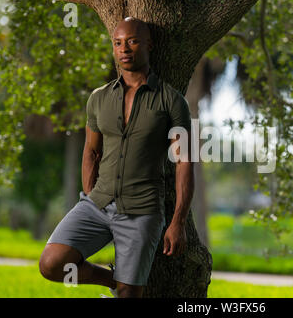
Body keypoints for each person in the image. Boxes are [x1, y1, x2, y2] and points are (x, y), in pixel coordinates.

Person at [38, 17, 194, 298]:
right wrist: (90, 197)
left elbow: (184, 162)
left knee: (129, 295)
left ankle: (123, 286)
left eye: (133, 41)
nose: (125, 49)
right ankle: (112, 280)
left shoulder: (171, 101)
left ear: (148, 44)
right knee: (51, 264)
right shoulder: (98, 98)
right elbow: (91, 151)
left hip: (142, 210)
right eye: (118, 43)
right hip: (97, 205)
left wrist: (178, 222)